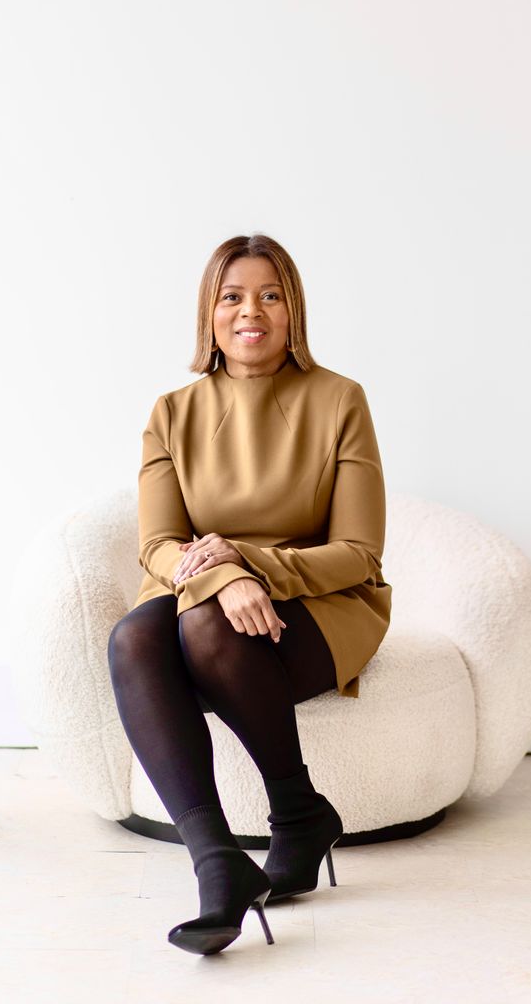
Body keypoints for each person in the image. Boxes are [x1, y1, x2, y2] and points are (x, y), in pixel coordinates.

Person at [107, 233, 392, 956]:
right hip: (204, 594)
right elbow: (159, 544)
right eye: (231, 296)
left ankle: (295, 812)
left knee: (204, 629)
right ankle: (219, 864)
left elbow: (358, 553)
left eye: (270, 295)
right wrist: (224, 576)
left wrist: (252, 565)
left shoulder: (339, 399)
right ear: (209, 313)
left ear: (293, 310)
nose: (249, 312)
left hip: (323, 604)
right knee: (135, 636)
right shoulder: (172, 412)